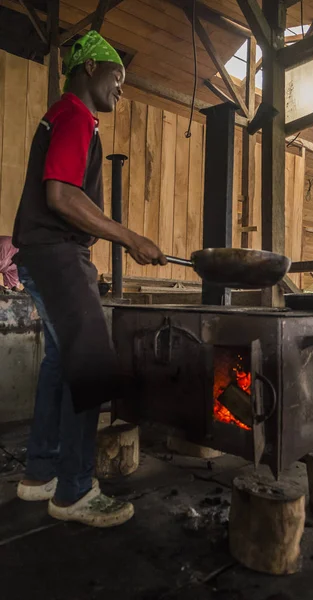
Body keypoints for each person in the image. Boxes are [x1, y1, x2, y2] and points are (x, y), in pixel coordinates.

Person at [12, 31, 166, 527]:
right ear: (91, 70)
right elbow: (60, 195)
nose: (122, 88)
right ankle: (75, 490)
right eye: (117, 78)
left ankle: (40, 473)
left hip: (43, 251)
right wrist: (128, 237)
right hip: (55, 251)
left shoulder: (64, 117)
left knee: (60, 361)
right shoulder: (76, 115)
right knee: (93, 362)